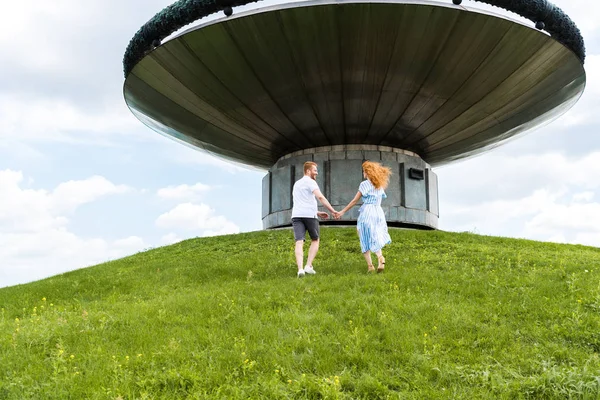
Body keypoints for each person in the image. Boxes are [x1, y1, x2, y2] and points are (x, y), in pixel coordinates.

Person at [334, 161, 392, 273]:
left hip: (368, 211)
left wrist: (342, 211)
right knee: (375, 235)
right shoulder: (380, 185)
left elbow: (355, 200)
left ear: (367, 172)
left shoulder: (364, 184)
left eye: (364, 171)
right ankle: (380, 257)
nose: (363, 173)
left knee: (363, 235)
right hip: (378, 212)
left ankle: (370, 266)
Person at [292, 161, 338, 278]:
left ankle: (300, 269)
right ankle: (308, 265)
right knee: (315, 239)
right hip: (309, 216)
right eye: (315, 170)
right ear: (308, 171)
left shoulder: (297, 184)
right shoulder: (311, 182)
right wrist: (333, 211)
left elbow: (301, 202)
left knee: (299, 241)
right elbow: (320, 197)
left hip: (297, 215)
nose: (316, 173)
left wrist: (317, 212)